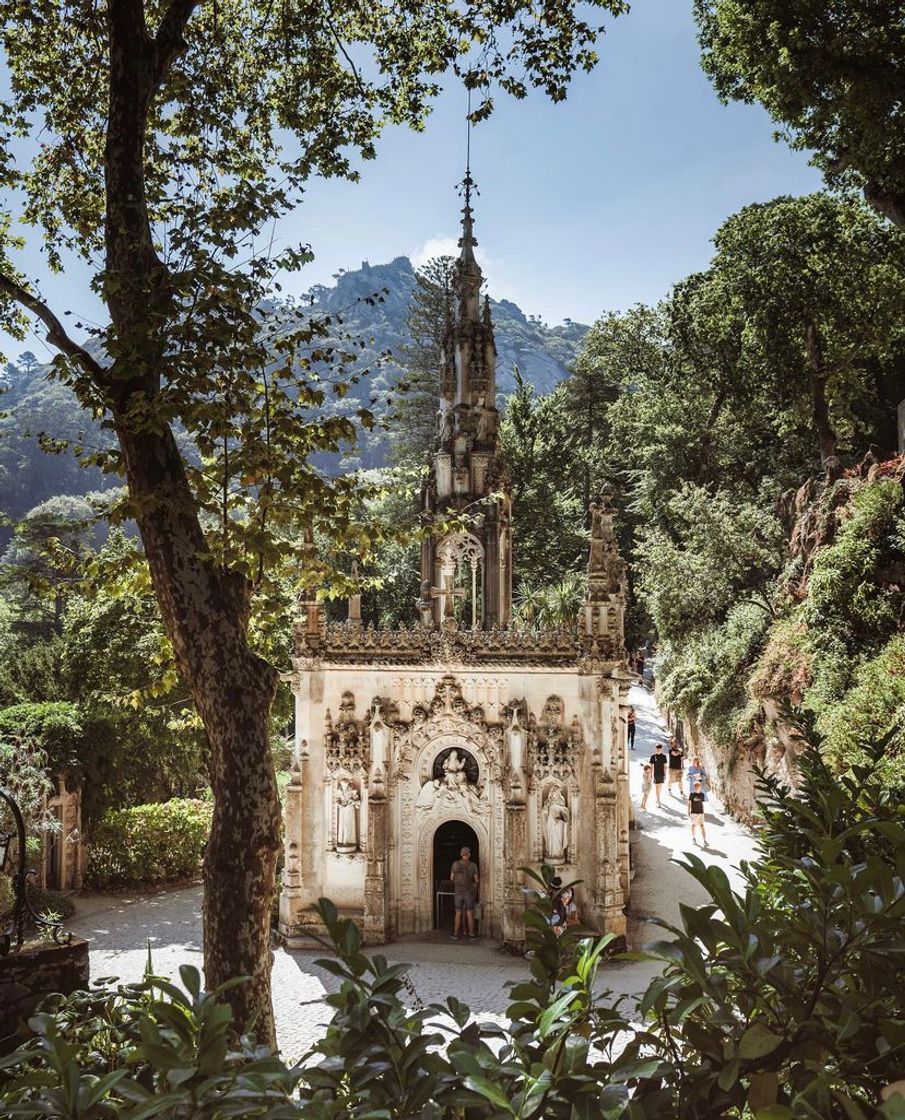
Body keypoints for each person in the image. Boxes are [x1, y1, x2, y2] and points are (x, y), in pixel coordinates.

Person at [450, 846, 479, 941]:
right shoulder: (473, 865)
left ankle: (455, 933)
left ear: (461, 854)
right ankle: (471, 934)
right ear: (469, 854)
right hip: (469, 891)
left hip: (458, 891)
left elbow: (451, 878)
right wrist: (474, 886)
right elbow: (476, 880)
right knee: (470, 912)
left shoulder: (455, 864)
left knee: (458, 912)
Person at [688, 780, 707, 846]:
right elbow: (689, 803)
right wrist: (688, 812)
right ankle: (694, 838)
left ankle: (704, 840)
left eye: (698, 787)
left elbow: (702, 804)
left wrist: (703, 812)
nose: (697, 788)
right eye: (696, 787)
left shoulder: (702, 795)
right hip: (694, 812)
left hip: (700, 812)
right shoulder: (692, 794)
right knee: (693, 825)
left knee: (702, 826)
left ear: (700, 787)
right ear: (694, 787)